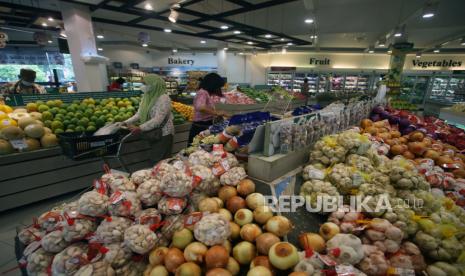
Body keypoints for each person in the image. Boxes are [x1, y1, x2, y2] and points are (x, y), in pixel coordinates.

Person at [123, 74, 174, 162]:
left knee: (161, 160)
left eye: (145, 84)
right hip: (152, 132)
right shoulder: (146, 96)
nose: (143, 86)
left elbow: (158, 119)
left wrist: (140, 128)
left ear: (154, 84)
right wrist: (126, 122)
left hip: (164, 133)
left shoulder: (163, 98)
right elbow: (139, 113)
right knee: (156, 157)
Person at [188, 72, 226, 143]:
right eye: (218, 86)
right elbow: (201, 107)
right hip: (200, 126)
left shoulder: (206, 93)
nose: (218, 88)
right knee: (196, 150)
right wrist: (216, 113)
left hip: (205, 125)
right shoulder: (203, 92)